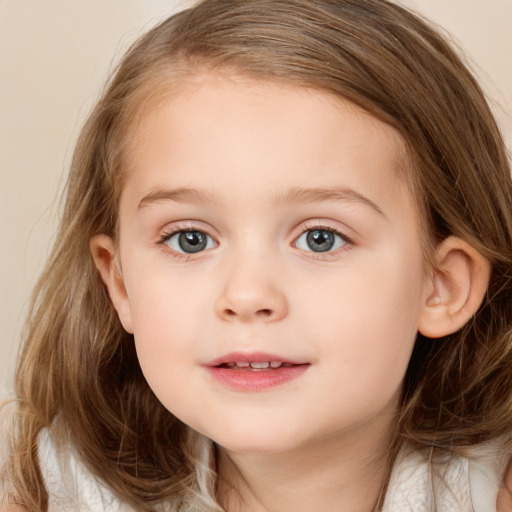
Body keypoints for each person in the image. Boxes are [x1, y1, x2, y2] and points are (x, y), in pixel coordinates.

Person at [2, 0, 512, 510]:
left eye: (320, 238)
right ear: (120, 284)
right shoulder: (50, 492)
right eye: (190, 239)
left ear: (442, 285)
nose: (246, 296)